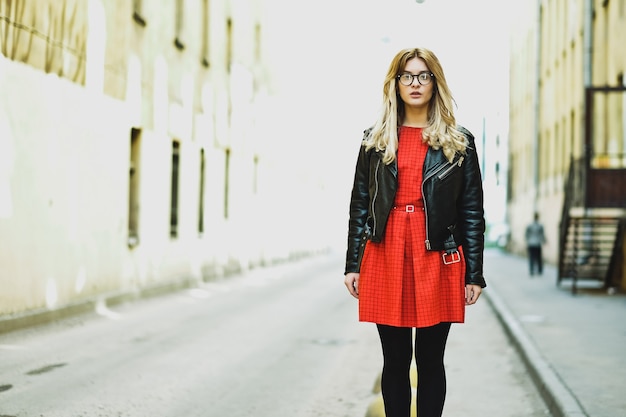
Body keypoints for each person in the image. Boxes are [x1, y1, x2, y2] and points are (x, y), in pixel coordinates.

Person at [344, 47, 486, 417]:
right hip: (386, 250)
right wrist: (352, 264)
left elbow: (472, 211)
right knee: (394, 360)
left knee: (430, 359)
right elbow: (360, 203)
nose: (415, 83)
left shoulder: (459, 142)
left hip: (436, 254)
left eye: (424, 76)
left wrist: (474, 274)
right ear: (395, 84)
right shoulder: (374, 140)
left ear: (435, 83)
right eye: (406, 76)